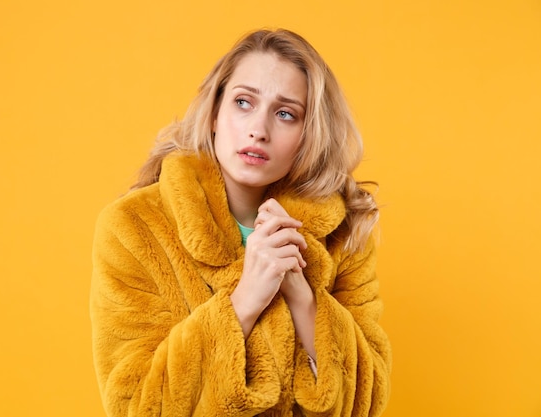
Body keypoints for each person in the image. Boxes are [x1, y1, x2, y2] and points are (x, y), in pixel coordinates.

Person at [90, 28, 392, 416]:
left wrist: (301, 294)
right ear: (215, 113)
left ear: (309, 133)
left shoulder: (343, 232)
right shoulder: (134, 227)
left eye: (285, 114)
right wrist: (247, 296)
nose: (258, 130)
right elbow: (138, 407)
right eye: (244, 102)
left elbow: (366, 404)